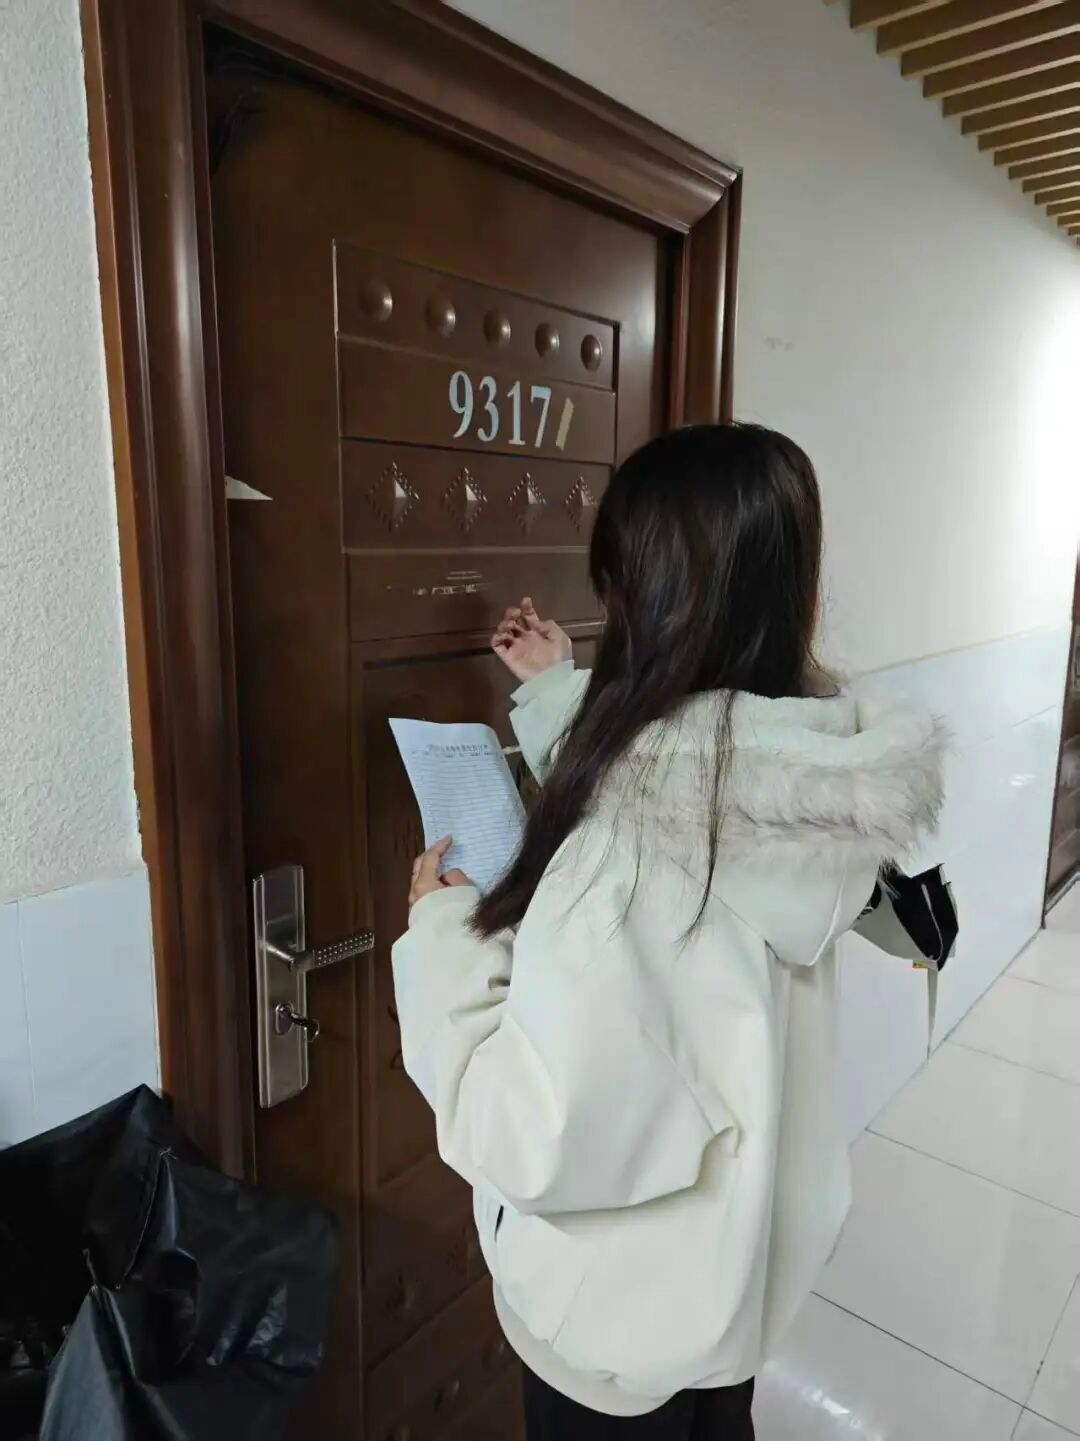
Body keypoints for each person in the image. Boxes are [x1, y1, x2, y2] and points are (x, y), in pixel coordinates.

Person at [391, 423, 944, 1439]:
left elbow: (528, 1133)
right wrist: (555, 691)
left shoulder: (630, 860)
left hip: (614, 1329)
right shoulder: (809, 780)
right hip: (730, 1292)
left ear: (652, 600)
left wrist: (441, 937)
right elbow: (687, 783)